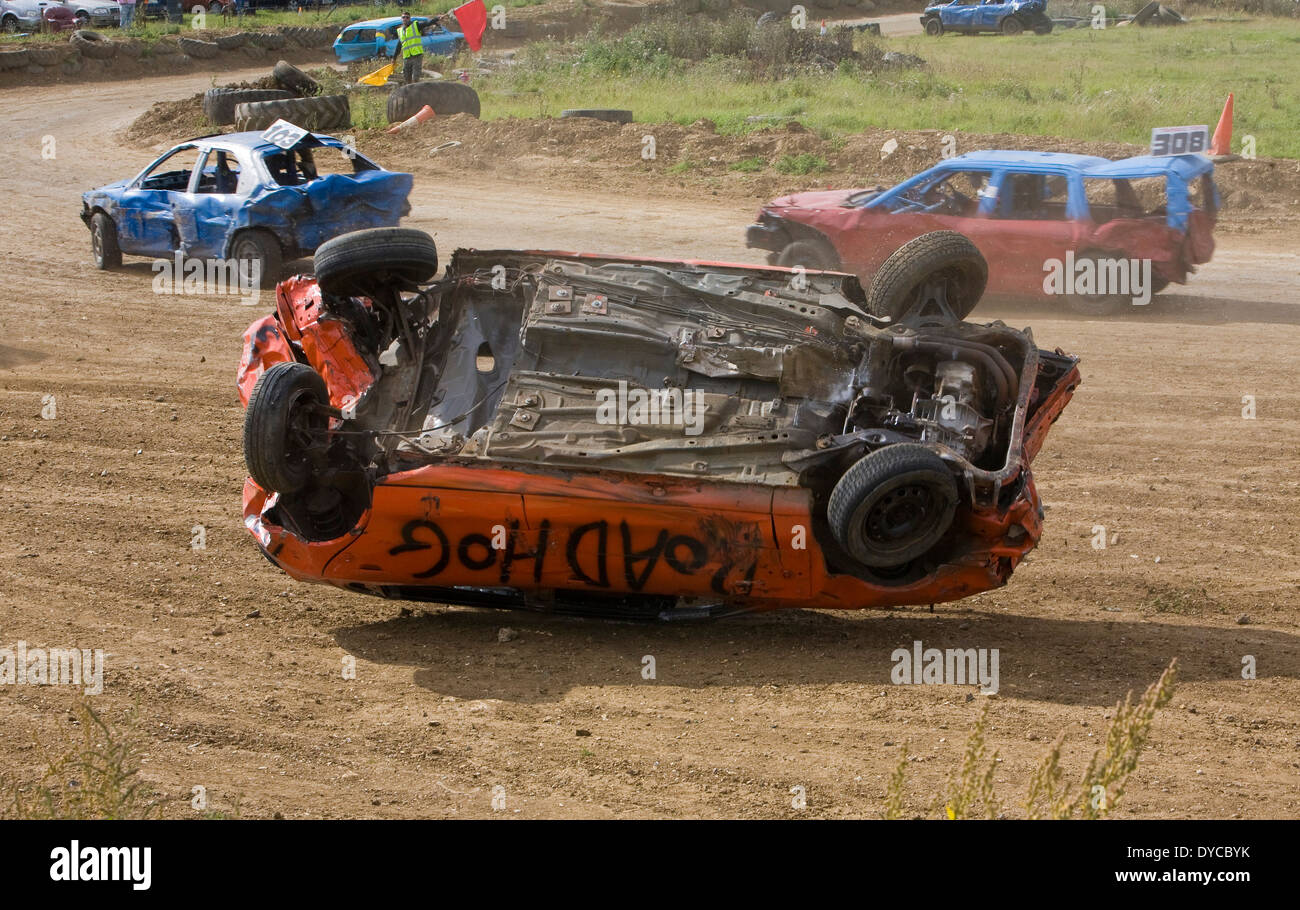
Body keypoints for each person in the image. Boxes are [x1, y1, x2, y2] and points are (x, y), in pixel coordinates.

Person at [397, 11, 425, 85]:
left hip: (417, 56)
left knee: (415, 78)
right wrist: (394, 58)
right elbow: (399, 45)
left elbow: (427, 23)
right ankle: (409, 94)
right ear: (401, 19)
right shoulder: (400, 31)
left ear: (410, 19)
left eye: (407, 17)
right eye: (403, 17)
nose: (405, 19)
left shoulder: (415, 26)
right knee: (407, 78)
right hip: (407, 57)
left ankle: (416, 94)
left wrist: (437, 19)